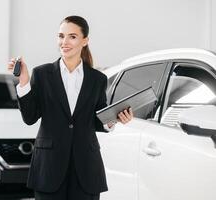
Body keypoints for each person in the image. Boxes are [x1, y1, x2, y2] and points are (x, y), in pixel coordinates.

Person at [8, 15, 133, 200]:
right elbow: (30, 117)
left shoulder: (97, 79)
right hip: (49, 167)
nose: (64, 42)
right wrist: (24, 82)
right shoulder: (42, 74)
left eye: (72, 36)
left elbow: (97, 121)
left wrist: (114, 119)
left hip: (86, 168)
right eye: (61, 36)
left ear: (85, 41)